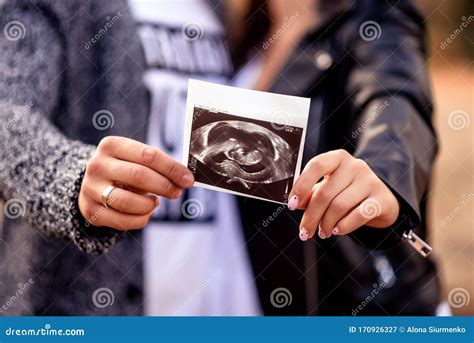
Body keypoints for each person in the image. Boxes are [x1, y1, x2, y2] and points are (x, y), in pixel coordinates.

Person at [0, 0, 442, 316]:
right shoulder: (239, 30)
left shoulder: (371, 18)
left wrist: (386, 175)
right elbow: (8, 115)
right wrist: (70, 179)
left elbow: (395, 104)